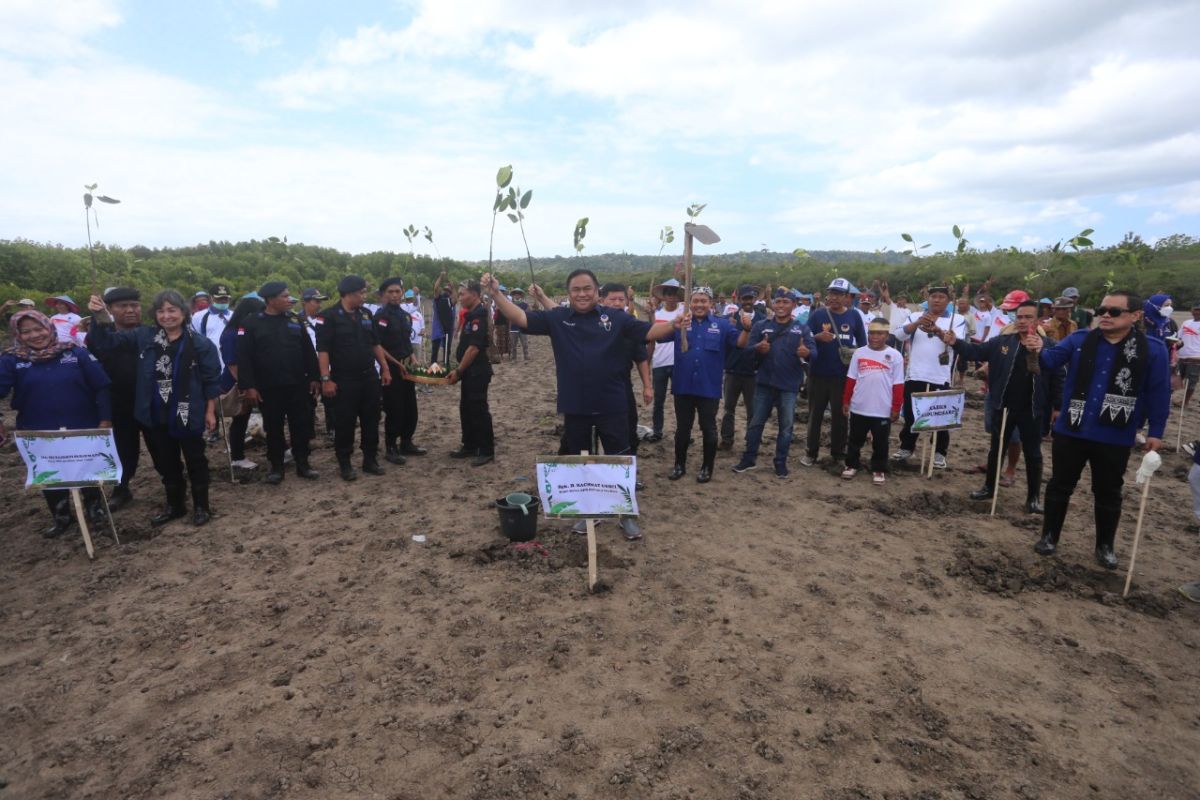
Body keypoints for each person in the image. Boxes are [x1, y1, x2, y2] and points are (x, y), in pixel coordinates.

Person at [1027, 291, 1171, 568]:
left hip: (1115, 433)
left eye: (1114, 311)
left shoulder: (1152, 349)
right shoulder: (1080, 340)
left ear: (1135, 316)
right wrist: (1036, 347)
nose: (1105, 315)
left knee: (1108, 491)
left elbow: (1158, 392)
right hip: (1072, 428)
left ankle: (1105, 546)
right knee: (1059, 485)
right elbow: (1050, 361)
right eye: (1101, 310)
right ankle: (1049, 537)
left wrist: (1156, 431)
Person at [486, 268, 681, 460]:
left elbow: (650, 332)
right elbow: (520, 317)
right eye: (576, 290)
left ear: (597, 291)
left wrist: (674, 324)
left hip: (612, 404)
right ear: (569, 293)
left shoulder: (617, 318)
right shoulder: (558, 317)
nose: (582, 294)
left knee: (618, 458)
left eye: (587, 288)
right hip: (575, 405)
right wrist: (496, 294)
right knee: (579, 460)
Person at [88, 290, 221, 527]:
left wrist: (210, 411)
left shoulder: (200, 343)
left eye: (172, 310)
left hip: (187, 412)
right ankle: (175, 506)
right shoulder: (144, 336)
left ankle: (202, 506)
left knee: (195, 459)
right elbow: (107, 342)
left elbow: (211, 380)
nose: (166, 316)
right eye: (161, 311)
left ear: (183, 312)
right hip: (155, 411)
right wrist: (99, 316)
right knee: (167, 461)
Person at [0, 309, 112, 536]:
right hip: (38, 429)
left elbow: (101, 386)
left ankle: (94, 510)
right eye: (26, 332)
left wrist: (105, 419)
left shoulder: (75, 353)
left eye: (38, 328)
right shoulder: (12, 359)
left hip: (83, 425)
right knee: (50, 474)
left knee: (88, 470)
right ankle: (61, 517)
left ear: (48, 327)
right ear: (18, 335)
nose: (35, 335)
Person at [947, 300, 1061, 513]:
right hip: (1004, 405)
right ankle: (989, 487)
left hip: (1033, 409)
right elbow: (975, 351)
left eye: (1028, 317)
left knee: (1034, 453)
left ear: (1037, 320)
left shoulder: (1050, 346)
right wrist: (955, 343)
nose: (1023, 321)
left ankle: (1033, 498)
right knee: (996, 449)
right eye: (1019, 317)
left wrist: (1058, 406)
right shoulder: (1002, 342)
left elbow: (1058, 376)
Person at [238, 282, 321, 484]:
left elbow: (309, 351)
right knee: (273, 427)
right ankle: (276, 467)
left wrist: (315, 377)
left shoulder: (295, 319)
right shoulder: (251, 323)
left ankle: (303, 464)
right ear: (270, 300)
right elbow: (244, 358)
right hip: (269, 387)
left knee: (300, 426)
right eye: (284, 296)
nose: (289, 299)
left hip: (297, 384)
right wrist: (249, 386)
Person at [669, 287, 752, 482]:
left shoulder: (722, 325)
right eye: (695, 301)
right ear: (690, 303)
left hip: (709, 387)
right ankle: (679, 465)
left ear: (711, 304)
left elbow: (740, 343)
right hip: (683, 385)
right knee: (682, 429)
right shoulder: (681, 323)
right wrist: (672, 323)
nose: (699, 304)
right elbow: (658, 335)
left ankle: (707, 468)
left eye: (703, 301)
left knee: (708, 428)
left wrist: (747, 329)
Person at [315, 275, 391, 481]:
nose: (364, 296)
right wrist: (326, 379)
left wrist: (384, 368)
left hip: (368, 377)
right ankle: (345, 463)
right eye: (361, 293)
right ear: (348, 294)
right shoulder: (328, 317)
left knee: (371, 419)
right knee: (345, 422)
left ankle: (370, 460)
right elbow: (323, 351)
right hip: (344, 379)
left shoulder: (366, 315)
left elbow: (375, 344)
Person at [732, 289, 813, 477]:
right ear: (773, 304)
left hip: (789, 386)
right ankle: (749, 459)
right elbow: (746, 351)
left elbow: (813, 352)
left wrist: (806, 353)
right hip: (764, 383)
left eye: (786, 302)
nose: (781, 305)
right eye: (778, 301)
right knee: (755, 423)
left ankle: (780, 462)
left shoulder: (802, 328)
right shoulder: (761, 326)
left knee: (786, 427)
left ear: (793, 305)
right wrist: (758, 348)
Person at [85, 287, 152, 511]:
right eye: (123, 306)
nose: (130, 310)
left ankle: (173, 484)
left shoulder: (151, 333)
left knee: (162, 447)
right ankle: (121, 489)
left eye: (134, 305)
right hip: (118, 402)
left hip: (151, 402)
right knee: (123, 449)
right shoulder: (102, 335)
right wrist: (98, 318)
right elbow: (97, 344)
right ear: (111, 310)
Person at [892, 285, 969, 469]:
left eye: (941, 297)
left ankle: (939, 453)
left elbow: (955, 341)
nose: (936, 300)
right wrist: (917, 323)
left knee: (940, 417)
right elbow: (899, 335)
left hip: (940, 376)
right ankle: (906, 447)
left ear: (948, 301)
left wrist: (937, 330)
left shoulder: (956, 319)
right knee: (911, 415)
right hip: (915, 373)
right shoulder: (914, 315)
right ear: (928, 299)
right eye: (933, 296)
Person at [803, 278, 867, 467]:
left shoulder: (854, 316)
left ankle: (838, 453)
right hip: (817, 373)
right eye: (831, 293)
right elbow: (805, 339)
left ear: (847, 297)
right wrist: (817, 337)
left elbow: (863, 344)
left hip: (842, 376)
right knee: (815, 415)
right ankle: (811, 452)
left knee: (841, 416)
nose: (834, 298)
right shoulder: (817, 315)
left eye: (838, 294)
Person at [839, 318, 904, 484]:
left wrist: (896, 407)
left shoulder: (895, 356)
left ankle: (879, 468)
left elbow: (898, 384)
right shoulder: (859, 353)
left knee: (881, 442)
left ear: (887, 335)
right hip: (859, 406)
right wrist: (846, 400)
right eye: (872, 333)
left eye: (879, 333)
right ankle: (851, 465)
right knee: (854, 439)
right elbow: (851, 378)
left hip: (882, 408)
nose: (875, 337)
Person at [373, 277, 426, 464]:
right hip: (392, 369)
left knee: (410, 407)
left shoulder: (404, 315)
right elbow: (378, 345)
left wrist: (413, 358)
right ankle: (391, 447)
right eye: (391, 292)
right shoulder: (381, 316)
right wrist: (397, 364)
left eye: (398, 291)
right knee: (394, 409)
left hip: (407, 367)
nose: (395, 295)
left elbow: (406, 341)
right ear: (383, 294)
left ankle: (406, 442)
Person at [446, 279, 494, 466]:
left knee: (478, 410)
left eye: (463, 293)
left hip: (477, 371)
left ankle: (486, 450)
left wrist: (458, 371)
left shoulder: (478, 316)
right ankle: (469, 445)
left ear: (474, 295)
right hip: (469, 371)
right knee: (466, 409)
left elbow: (473, 349)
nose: (460, 297)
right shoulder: (471, 314)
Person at [218, 296, 264, 472]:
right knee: (240, 418)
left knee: (243, 419)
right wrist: (245, 385)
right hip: (235, 383)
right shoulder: (231, 334)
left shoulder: (243, 331)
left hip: (247, 381)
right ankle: (237, 457)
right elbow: (232, 364)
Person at [719, 284, 767, 451]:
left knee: (753, 411)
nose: (747, 301)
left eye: (750, 298)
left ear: (754, 299)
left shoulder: (762, 319)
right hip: (732, 370)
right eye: (744, 298)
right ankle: (726, 440)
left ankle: (751, 441)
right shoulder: (729, 319)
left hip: (753, 372)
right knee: (728, 409)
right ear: (738, 299)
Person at [646, 279, 685, 442]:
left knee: (682, 401)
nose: (671, 297)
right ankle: (657, 431)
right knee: (659, 401)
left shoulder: (684, 311)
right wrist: (647, 362)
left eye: (674, 294)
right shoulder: (657, 314)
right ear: (663, 296)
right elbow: (652, 338)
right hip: (660, 363)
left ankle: (683, 432)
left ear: (678, 296)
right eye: (668, 294)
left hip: (679, 363)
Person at [298, 288, 333, 437]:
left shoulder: (325, 319)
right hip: (307, 367)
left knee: (331, 400)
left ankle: (332, 430)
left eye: (320, 302)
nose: (319, 305)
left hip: (326, 365)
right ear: (305, 302)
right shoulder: (295, 320)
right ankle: (308, 432)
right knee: (307, 402)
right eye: (316, 301)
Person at [192, 284, 234, 366]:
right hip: (209, 361)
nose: (223, 301)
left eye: (225, 298)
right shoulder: (198, 316)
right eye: (219, 298)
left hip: (230, 362)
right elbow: (195, 339)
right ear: (211, 298)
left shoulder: (234, 315)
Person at [430, 272, 456, 364]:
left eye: (448, 291)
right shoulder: (438, 298)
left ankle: (446, 366)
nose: (446, 291)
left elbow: (455, 298)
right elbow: (436, 288)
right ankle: (432, 367)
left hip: (447, 329)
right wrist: (441, 277)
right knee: (434, 350)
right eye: (445, 289)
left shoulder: (450, 301)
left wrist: (452, 286)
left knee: (447, 350)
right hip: (438, 328)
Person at [1177, 302, 1200, 406]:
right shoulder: (1186, 322)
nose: (1197, 312)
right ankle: (1167, 399)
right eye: (1195, 309)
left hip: (1196, 358)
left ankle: (1185, 402)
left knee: (1190, 383)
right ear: (1191, 310)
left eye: (1199, 310)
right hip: (1181, 356)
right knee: (1175, 380)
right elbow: (1179, 337)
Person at [509, 288, 530, 361]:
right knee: (513, 345)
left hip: (522, 327)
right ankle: (513, 358)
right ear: (513, 296)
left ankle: (526, 358)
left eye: (518, 294)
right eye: (515, 294)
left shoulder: (525, 305)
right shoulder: (510, 304)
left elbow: (528, 315)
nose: (517, 296)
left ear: (521, 296)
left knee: (525, 344)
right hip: (513, 327)